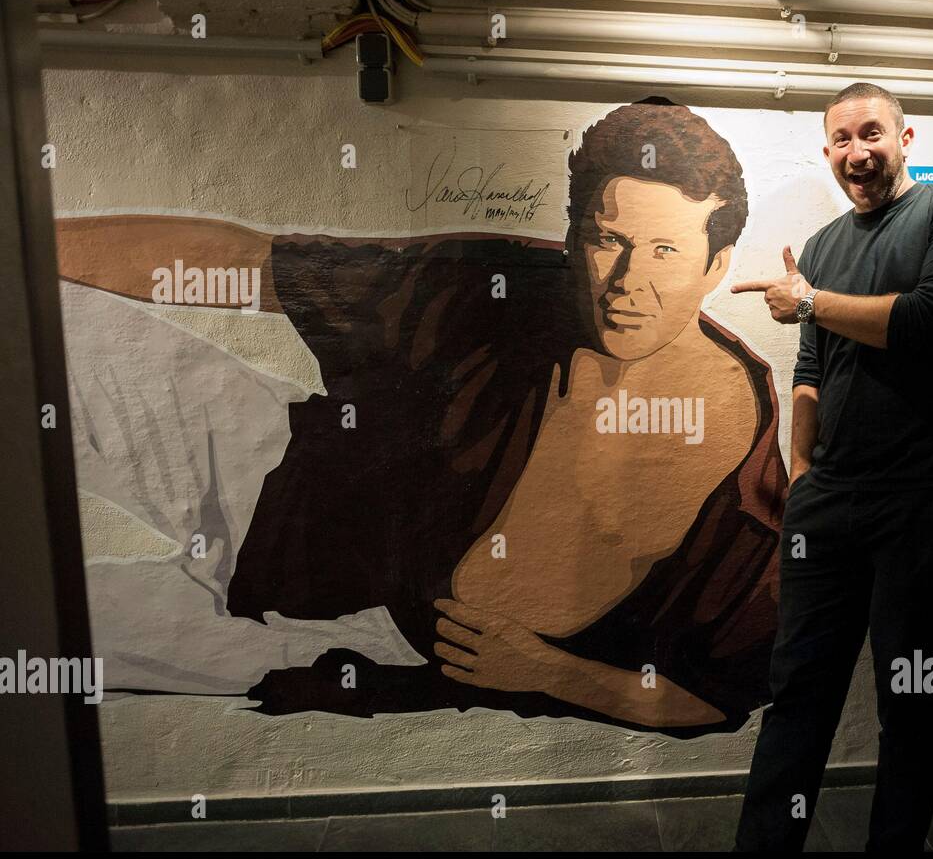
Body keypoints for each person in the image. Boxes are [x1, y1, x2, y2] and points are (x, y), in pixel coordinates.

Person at [55, 101, 786, 738]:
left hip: (356, 636)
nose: (629, 284)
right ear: (574, 242)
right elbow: (251, 263)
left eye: (664, 251)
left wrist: (548, 674)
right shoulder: (501, 289)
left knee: (35, 638)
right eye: (608, 242)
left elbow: (717, 696)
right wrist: (30, 245)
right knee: (53, 320)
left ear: (716, 264)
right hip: (283, 481)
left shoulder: (738, 469)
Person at [729, 82, 933, 849]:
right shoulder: (822, 247)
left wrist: (811, 301)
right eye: (843, 140)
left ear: (905, 139)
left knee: (910, 703)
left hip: (927, 496)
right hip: (831, 502)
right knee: (797, 696)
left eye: (872, 133)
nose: (859, 152)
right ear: (828, 153)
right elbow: (810, 371)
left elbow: (932, 322)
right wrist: (803, 467)